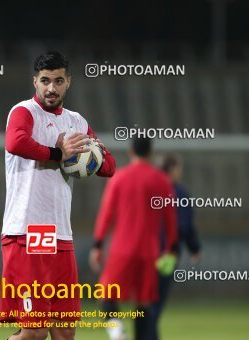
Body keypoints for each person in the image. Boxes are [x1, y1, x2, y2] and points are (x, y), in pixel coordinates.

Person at [0, 51, 116, 340]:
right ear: (35, 82)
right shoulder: (23, 111)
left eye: (58, 81)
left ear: (68, 83)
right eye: (46, 81)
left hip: (61, 235)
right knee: (34, 333)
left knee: (64, 332)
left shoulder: (76, 121)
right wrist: (57, 153)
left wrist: (90, 156)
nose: (52, 88)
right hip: (27, 231)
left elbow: (110, 166)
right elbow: (15, 142)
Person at [89, 138, 177, 340]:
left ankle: (116, 331)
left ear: (130, 152)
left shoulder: (119, 178)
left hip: (122, 250)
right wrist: (170, 248)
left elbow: (106, 214)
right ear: (151, 153)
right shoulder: (162, 181)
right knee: (144, 303)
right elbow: (170, 219)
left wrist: (98, 244)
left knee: (106, 294)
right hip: (149, 252)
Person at [148, 154, 202, 340]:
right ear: (172, 169)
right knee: (155, 303)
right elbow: (184, 226)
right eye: (178, 168)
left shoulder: (149, 190)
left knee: (145, 303)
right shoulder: (179, 192)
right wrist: (194, 248)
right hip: (167, 255)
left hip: (143, 253)